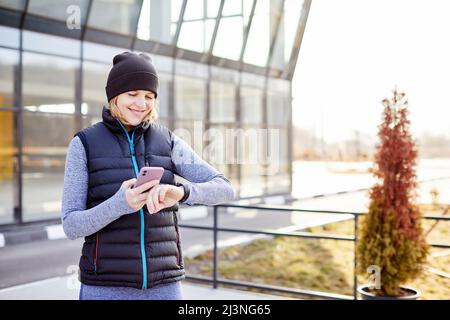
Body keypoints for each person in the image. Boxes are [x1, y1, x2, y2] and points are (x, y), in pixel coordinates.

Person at [61, 51, 236, 300]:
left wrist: (182, 193)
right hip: (105, 287)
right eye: (132, 94)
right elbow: (71, 225)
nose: (141, 103)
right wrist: (120, 204)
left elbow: (225, 188)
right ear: (114, 96)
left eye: (149, 96)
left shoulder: (168, 141)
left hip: (164, 286)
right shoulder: (84, 144)